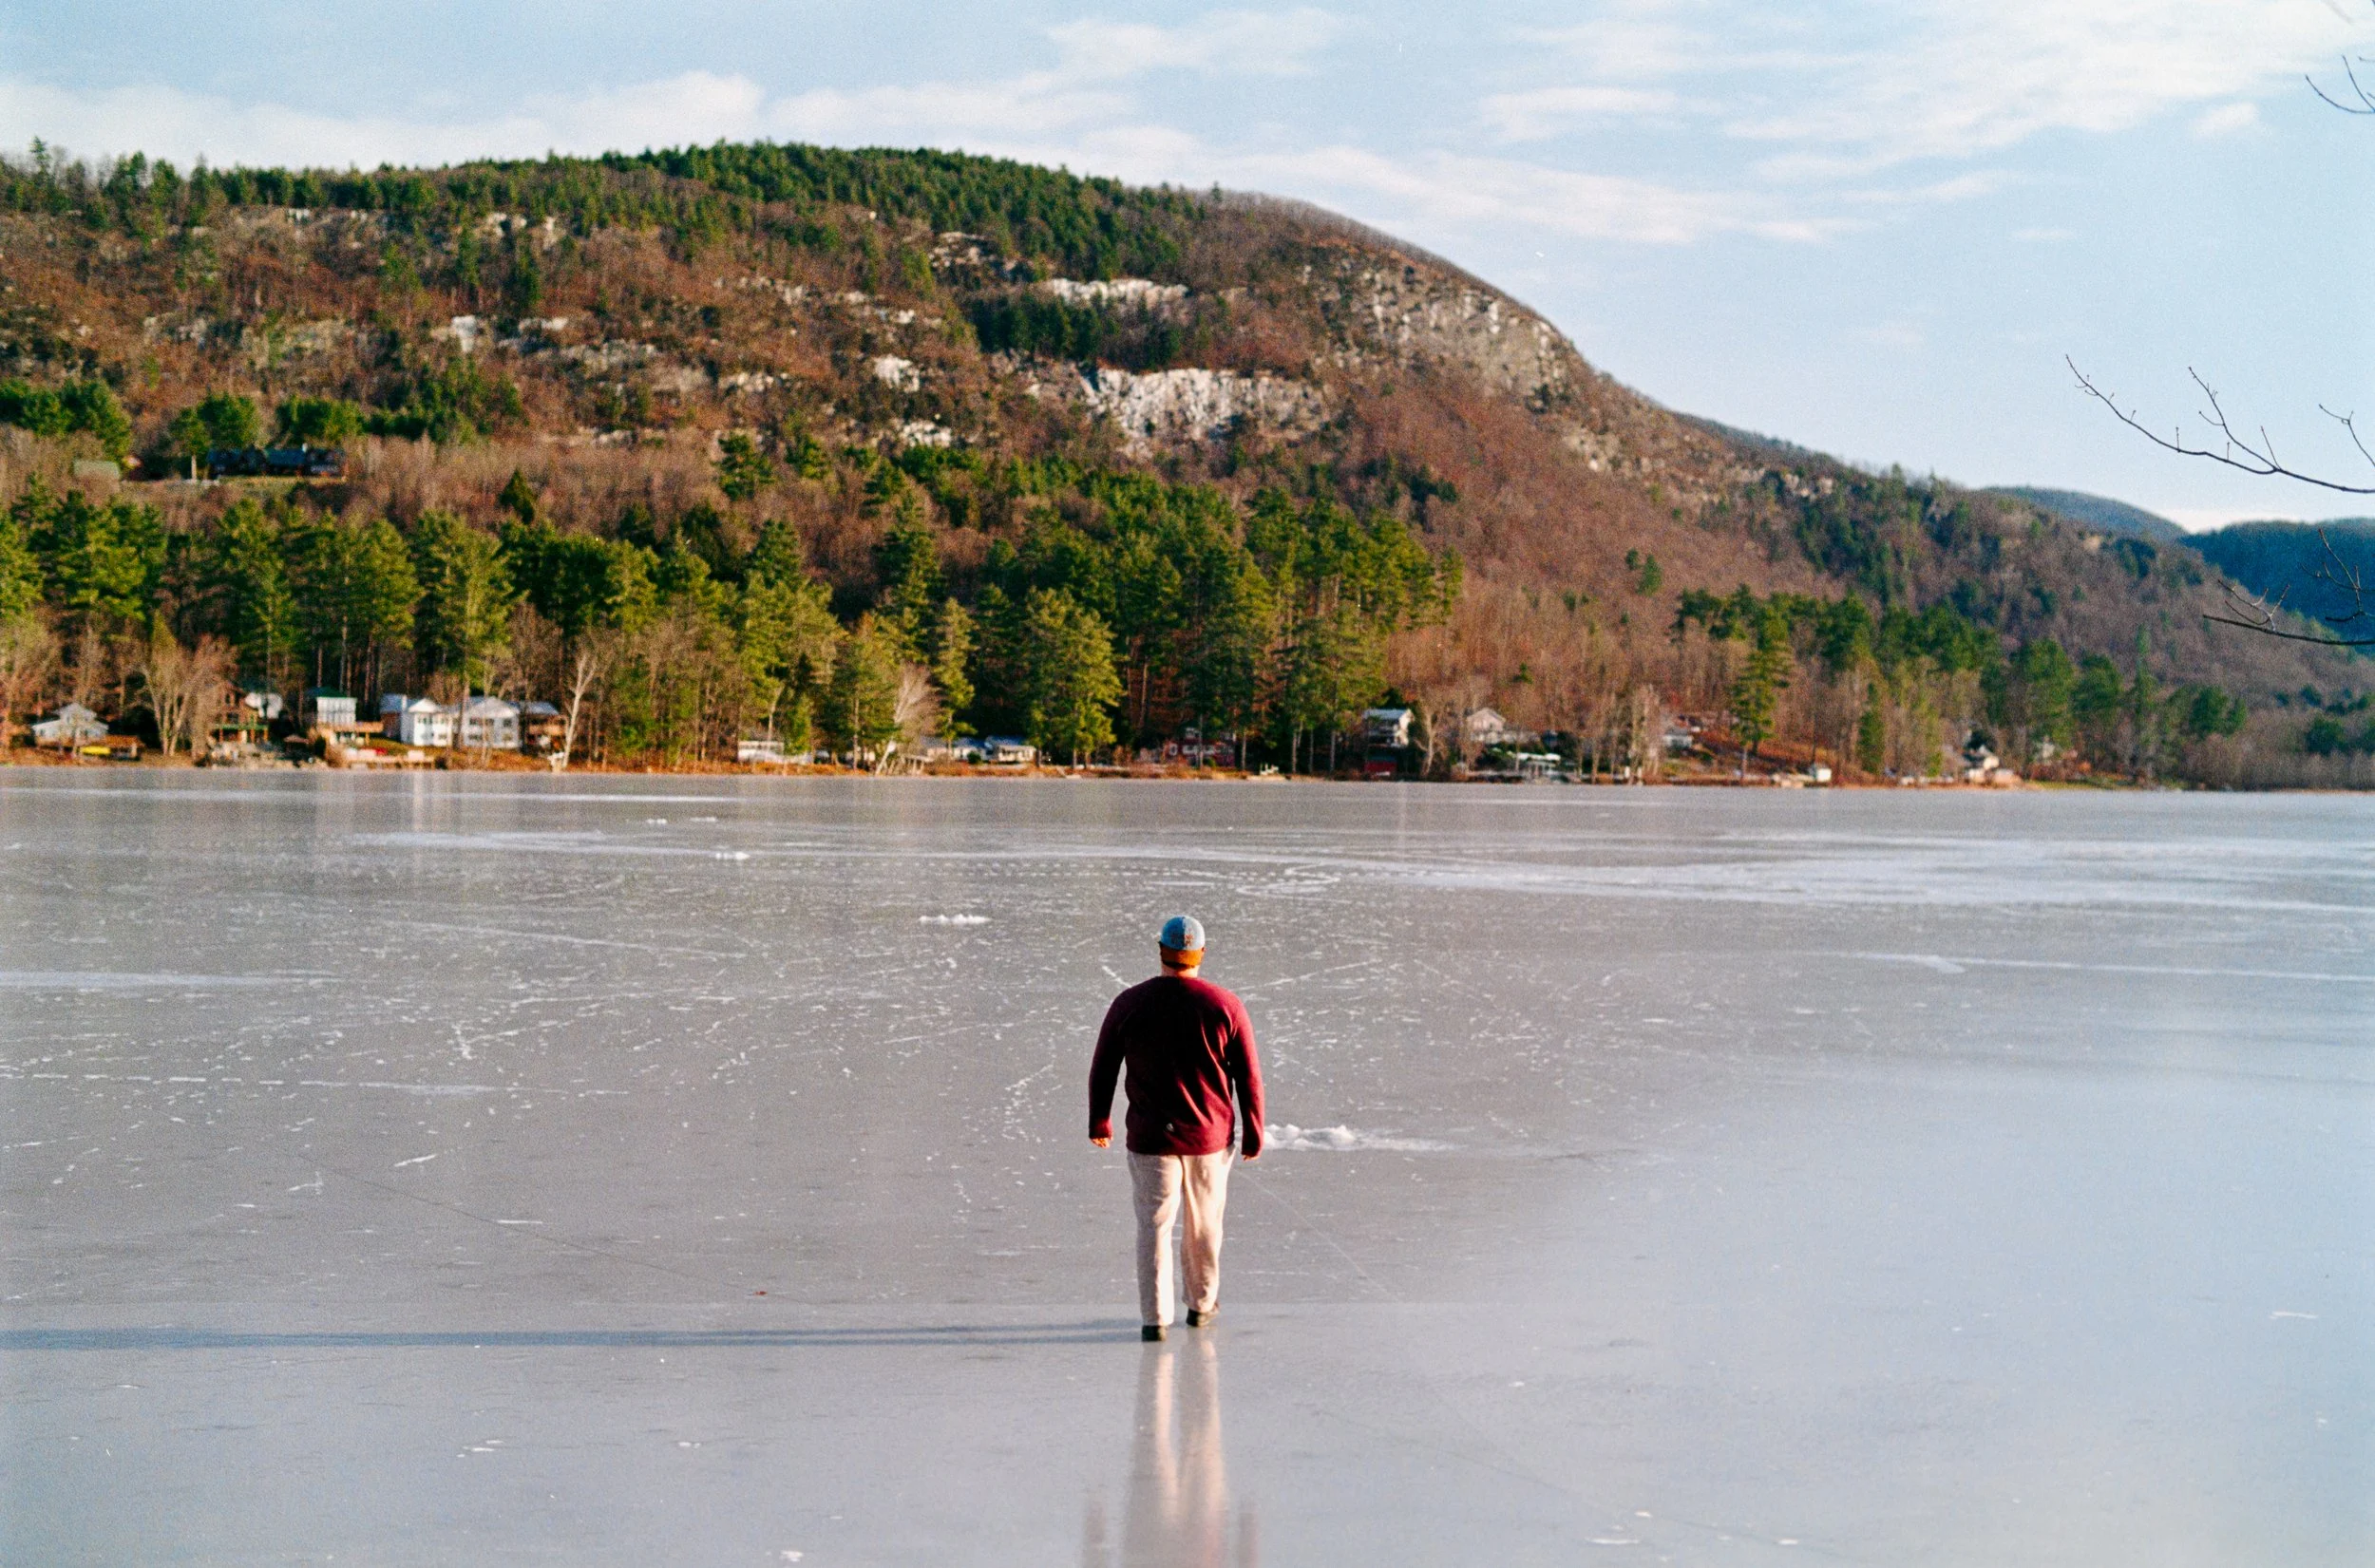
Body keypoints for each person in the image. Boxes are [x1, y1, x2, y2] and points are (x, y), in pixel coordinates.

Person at [1090, 916, 1264, 1343]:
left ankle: (1155, 1320)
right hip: (1209, 1139)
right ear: (1200, 954)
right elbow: (1249, 1076)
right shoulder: (1225, 1005)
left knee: (1153, 1227)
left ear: (1161, 951)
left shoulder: (1129, 1003)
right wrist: (1255, 1129)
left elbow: (1104, 1067)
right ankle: (1201, 1307)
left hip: (1151, 1139)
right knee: (1205, 1225)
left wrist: (1100, 1118)